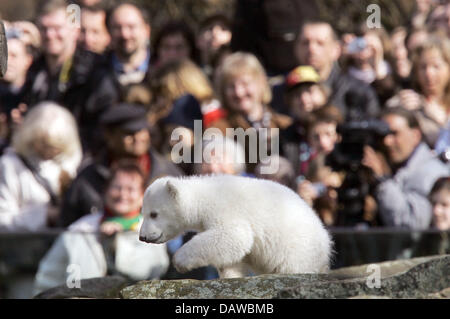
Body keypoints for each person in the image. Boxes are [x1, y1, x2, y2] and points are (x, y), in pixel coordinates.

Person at [33, 161, 170, 295]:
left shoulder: (154, 230)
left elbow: (151, 269)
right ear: (105, 191)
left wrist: (116, 241)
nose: (122, 194)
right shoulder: (80, 230)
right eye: (117, 187)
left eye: (131, 189)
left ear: (143, 196)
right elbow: (48, 277)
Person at [59, 103, 183, 227]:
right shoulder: (88, 179)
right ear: (109, 136)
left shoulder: (168, 173)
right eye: (129, 133)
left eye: (142, 131)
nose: (138, 138)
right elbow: (66, 226)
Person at [20, 0, 118, 155]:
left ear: (74, 30)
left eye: (57, 28)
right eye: (44, 28)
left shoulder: (95, 73)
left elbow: (101, 131)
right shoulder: (32, 71)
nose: (50, 35)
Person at [362, 107, 449, 229]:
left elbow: (412, 225)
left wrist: (382, 181)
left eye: (394, 134)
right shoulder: (392, 167)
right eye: (383, 135)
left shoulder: (431, 173)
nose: (387, 142)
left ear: (416, 135)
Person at [0, 102, 82, 231]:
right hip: (25, 245)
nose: (52, 151)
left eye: (57, 146)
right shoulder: (10, 164)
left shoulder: (71, 162)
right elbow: (3, 220)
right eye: (45, 144)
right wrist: (45, 216)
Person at [209, 52, 292, 173]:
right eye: (231, 86)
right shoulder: (218, 129)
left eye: (245, 84)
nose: (239, 92)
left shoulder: (285, 124)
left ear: (261, 83)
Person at [294, 20, 380, 121]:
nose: (311, 49)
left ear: (336, 50)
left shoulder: (359, 92)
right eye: (305, 43)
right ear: (296, 47)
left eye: (320, 43)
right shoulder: (281, 92)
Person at [386, 36, 450, 148]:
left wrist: (442, 120)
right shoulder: (408, 102)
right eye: (423, 67)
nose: (429, 73)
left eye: (436, 66)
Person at [105, 1, 151, 90]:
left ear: (146, 30)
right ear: (109, 31)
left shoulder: (160, 69)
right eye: (117, 27)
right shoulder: (96, 74)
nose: (125, 34)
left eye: (131, 27)